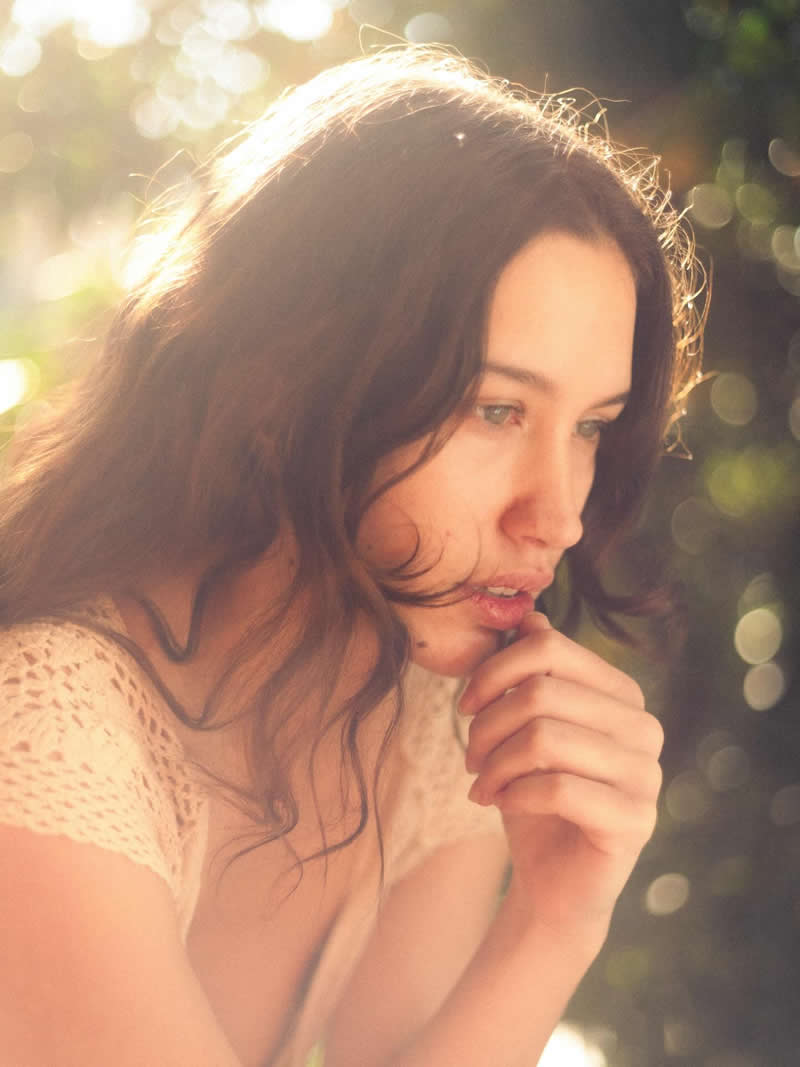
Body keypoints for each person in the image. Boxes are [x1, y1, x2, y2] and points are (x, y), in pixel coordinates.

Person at [0, 46, 703, 1067]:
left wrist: (557, 918)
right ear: (278, 387)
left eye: (591, 425)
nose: (556, 516)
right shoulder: (41, 732)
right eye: (495, 409)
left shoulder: (424, 725)